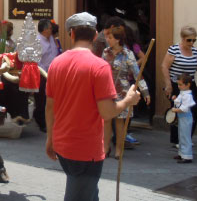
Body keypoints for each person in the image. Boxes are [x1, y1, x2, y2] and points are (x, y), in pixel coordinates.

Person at [45, 12, 141, 201]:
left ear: (71, 34)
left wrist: (50, 138)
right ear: (96, 35)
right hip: (86, 149)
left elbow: (50, 107)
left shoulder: (56, 63)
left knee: (88, 193)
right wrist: (128, 100)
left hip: (63, 145)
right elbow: (107, 112)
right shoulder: (99, 66)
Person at [161, 25, 197, 145]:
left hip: (190, 85)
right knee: (179, 111)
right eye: (189, 40)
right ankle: (177, 140)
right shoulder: (174, 49)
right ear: (182, 38)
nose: (192, 43)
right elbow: (164, 66)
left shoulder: (194, 51)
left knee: (196, 109)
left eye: (194, 40)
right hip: (176, 84)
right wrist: (168, 85)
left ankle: (186, 138)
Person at [102, 25, 150, 159]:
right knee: (106, 120)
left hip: (122, 92)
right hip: (106, 90)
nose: (107, 39)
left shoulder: (127, 54)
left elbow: (137, 74)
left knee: (119, 121)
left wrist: (145, 92)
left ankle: (119, 149)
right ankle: (105, 148)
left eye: (110, 37)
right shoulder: (105, 52)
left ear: (117, 39)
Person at [35, 19, 59, 133]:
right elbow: (37, 60)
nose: (51, 30)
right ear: (44, 30)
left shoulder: (51, 39)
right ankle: (41, 122)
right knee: (41, 99)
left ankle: (50, 120)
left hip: (53, 73)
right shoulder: (38, 41)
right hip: (42, 74)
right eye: (49, 28)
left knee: (51, 98)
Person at [172, 73, 195, 163]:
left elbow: (184, 108)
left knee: (185, 136)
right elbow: (179, 102)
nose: (179, 86)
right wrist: (175, 100)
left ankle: (187, 156)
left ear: (188, 84)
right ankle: (182, 153)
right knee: (181, 136)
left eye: (180, 84)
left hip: (186, 117)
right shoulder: (183, 93)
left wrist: (176, 110)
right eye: (178, 84)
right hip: (182, 118)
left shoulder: (188, 95)